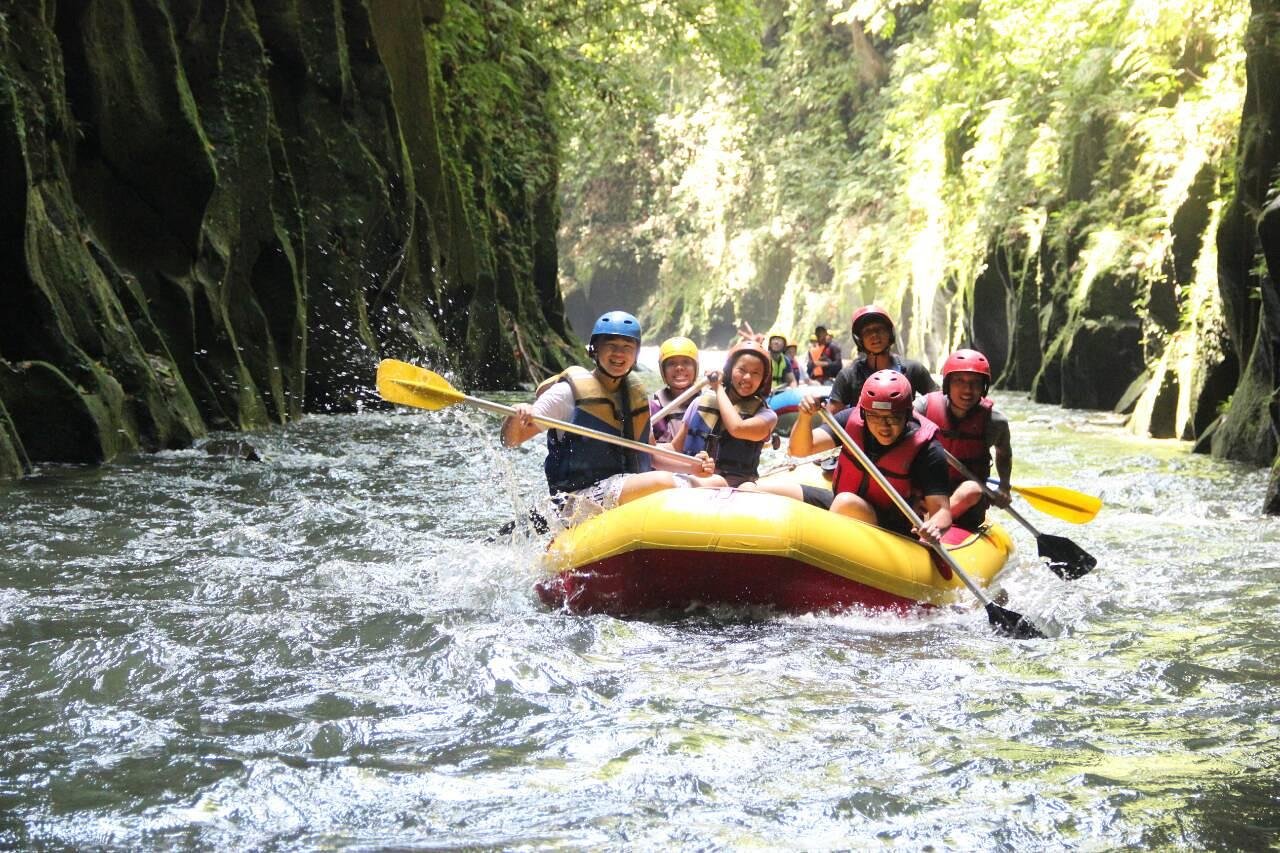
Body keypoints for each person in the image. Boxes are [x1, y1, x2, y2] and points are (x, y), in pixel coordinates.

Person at [501, 311, 720, 519]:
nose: (619, 354)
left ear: (635, 354)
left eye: (627, 347)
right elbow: (511, 440)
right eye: (611, 346)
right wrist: (519, 413)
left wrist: (691, 466)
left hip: (625, 485)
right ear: (595, 349)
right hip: (574, 499)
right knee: (662, 481)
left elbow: (649, 452)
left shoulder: (635, 394)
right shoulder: (567, 393)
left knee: (716, 482)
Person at [757, 370, 952, 544]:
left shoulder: (928, 448)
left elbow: (942, 511)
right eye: (875, 416)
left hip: (892, 526)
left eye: (893, 417)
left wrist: (935, 527)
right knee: (754, 489)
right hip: (842, 502)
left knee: (846, 502)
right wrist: (805, 417)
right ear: (864, 413)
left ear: (908, 414)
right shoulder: (852, 419)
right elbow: (799, 450)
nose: (884, 426)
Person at [915, 348, 1013, 531]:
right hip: (925, 495)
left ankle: (931, 525)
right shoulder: (922, 408)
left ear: (984, 388)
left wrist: (1004, 487)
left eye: (975, 383)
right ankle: (929, 519)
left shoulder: (995, 422)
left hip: (967, 503)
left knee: (971, 489)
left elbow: (1004, 453)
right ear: (947, 384)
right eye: (959, 381)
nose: (968, 390)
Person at [672, 340, 779, 488]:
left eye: (755, 373)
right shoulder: (700, 402)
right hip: (695, 479)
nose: (747, 377)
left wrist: (718, 388)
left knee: (745, 487)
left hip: (736, 486)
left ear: (762, 380)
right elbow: (675, 448)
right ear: (729, 371)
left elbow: (737, 428)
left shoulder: (767, 416)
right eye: (741, 370)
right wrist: (647, 443)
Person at [828, 305, 936, 414]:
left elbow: (939, 400)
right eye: (867, 331)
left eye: (879, 329)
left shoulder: (913, 370)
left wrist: (918, 411)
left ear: (889, 333)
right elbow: (831, 417)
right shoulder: (849, 376)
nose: (874, 335)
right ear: (860, 339)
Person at [649, 336, 700, 443]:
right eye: (671, 363)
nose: (679, 368)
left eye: (686, 362)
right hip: (667, 457)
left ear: (696, 368)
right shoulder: (654, 407)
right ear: (663, 371)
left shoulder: (707, 402)